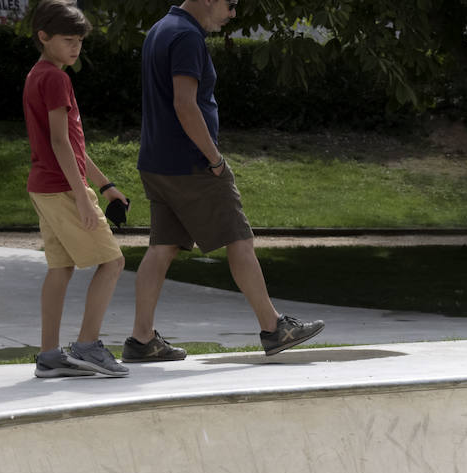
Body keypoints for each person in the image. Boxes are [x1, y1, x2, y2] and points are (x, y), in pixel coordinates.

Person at [131, 0, 323, 361]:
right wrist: (215, 160)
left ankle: (141, 340)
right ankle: (274, 327)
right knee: (239, 238)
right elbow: (185, 104)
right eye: (231, 4)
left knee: (162, 247)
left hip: (156, 162)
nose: (233, 13)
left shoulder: (160, 29)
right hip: (191, 165)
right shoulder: (187, 36)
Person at [22, 0, 130, 379]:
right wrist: (83, 196)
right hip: (63, 188)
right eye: (68, 40)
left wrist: (105, 186)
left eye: (79, 41)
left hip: (45, 187)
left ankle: (50, 355)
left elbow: (73, 144)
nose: (75, 48)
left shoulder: (38, 74)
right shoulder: (55, 78)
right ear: (43, 37)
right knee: (113, 262)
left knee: (61, 268)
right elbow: (59, 142)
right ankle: (87, 345)